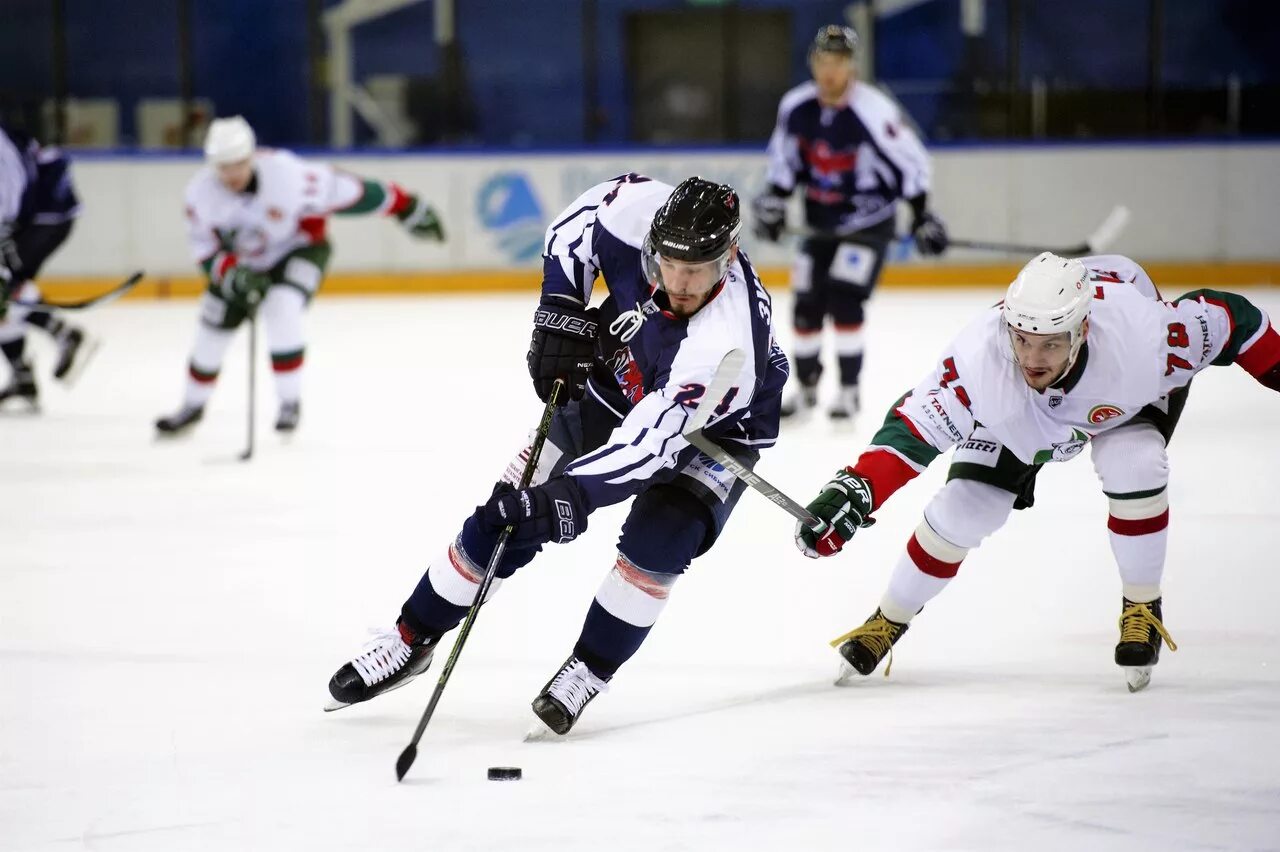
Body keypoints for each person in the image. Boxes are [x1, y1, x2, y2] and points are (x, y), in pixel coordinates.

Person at [325, 174, 788, 734]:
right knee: (504, 514)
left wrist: (569, 497)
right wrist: (560, 308)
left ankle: (588, 671)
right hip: (627, 378)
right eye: (670, 264)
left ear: (730, 255)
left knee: (655, 547)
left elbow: (647, 446)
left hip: (719, 430)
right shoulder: (638, 210)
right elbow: (576, 226)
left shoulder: (724, 345)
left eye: (698, 270)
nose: (681, 283)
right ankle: (407, 639)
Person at [794, 252, 1280, 691]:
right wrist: (855, 490)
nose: (1031, 358)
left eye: (1049, 345)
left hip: (1122, 400)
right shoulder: (982, 358)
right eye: (1022, 340)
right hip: (1023, 417)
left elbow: (1232, 319)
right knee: (965, 508)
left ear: (1082, 331)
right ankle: (889, 618)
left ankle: (1142, 606)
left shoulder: (1143, 339)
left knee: (1134, 465)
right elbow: (913, 428)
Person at [154, 115, 445, 435]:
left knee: (283, 307)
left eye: (238, 163)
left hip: (299, 249)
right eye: (223, 166)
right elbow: (205, 250)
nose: (231, 173)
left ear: (251, 155)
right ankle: (192, 405)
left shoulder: (289, 175)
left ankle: (289, 402)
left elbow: (349, 192)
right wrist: (231, 275)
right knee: (213, 323)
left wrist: (405, 206)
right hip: (242, 264)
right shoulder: (200, 195)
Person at [752, 24, 948, 422]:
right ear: (813, 62)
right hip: (820, 224)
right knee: (805, 301)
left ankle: (848, 390)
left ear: (851, 67)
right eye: (823, 61)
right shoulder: (796, 107)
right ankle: (806, 388)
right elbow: (785, 164)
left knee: (844, 296)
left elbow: (912, 164)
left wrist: (922, 213)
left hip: (867, 225)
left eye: (838, 62)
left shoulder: (873, 110)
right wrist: (774, 201)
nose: (829, 71)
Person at [0, 123, 94, 408]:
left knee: (4, 287)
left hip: (47, 215)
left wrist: (4, 239)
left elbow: (13, 184)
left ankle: (64, 333)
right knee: (3, 296)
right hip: (32, 216)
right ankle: (23, 378)